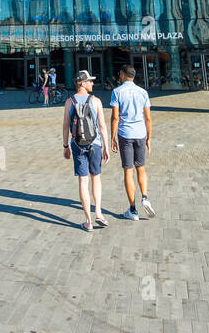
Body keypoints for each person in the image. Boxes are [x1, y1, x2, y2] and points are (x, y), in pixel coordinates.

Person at [62, 70, 111, 232]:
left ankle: (88, 222)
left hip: (77, 145)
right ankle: (98, 212)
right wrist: (106, 147)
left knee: (83, 181)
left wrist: (65, 146)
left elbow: (66, 125)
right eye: (89, 81)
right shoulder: (96, 101)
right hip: (95, 144)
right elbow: (102, 126)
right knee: (96, 178)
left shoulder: (69, 101)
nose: (92, 83)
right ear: (82, 83)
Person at [109, 65, 155, 221]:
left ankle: (133, 210)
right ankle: (145, 197)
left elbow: (115, 117)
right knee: (141, 168)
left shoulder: (117, 92)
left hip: (125, 134)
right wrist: (149, 138)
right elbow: (148, 118)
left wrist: (112, 137)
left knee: (128, 171)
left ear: (123, 75)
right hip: (140, 133)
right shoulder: (143, 92)